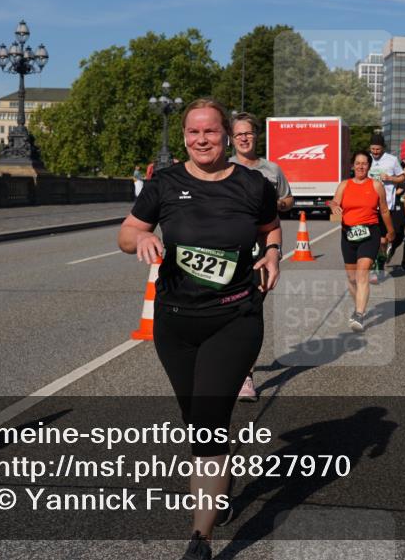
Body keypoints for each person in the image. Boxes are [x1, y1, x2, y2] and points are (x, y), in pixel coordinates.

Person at [117, 98, 282, 559]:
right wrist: (143, 237)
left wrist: (272, 255)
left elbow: (271, 229)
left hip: (235, 317)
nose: (201, 140)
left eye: (210, 131)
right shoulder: (165, 183)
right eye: (193, 132)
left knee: (207, 425)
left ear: (227, 135)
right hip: (175, 322)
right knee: (199, 426)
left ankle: (200, 539)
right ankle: (219, 482)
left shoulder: (253, 184)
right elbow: (126, 233)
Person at [228, 112, 293, 403]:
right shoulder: (223, 167)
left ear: (256, 136)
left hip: (261, 248)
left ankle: (245, 376)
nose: (244, 138)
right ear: (231, 138)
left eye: (249, 133)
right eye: (239, 133)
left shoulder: (271, 169)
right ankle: (222, 368)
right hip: (228, 251)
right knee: (225, 313)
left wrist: (274, 202)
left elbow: (288, 200)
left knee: (250, 312)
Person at [329, 151, 395, 332]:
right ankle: (359, 304)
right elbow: (335, 202)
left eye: (364, 163)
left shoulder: (376, 185)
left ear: (369, 166)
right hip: (348, 234)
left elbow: (384, 211)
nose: (360, 167)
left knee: (362, 272)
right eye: (357, 163)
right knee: (351, 278)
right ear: (352, 165)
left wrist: (390, 231)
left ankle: (359, 313)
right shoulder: (344, 185)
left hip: (369, 233)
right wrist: (334, 207)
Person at [367, 134, 405, 282]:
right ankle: (373, 269)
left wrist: (390, 179)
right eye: (372, 149)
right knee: (371, 240)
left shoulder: (392, 160)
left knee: (383, 241)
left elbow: (402, 177)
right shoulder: (367, 160)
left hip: (386, 206)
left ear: (383, 148)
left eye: (378, 149)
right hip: (369, 206)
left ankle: (380, 265)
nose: (375, 152)